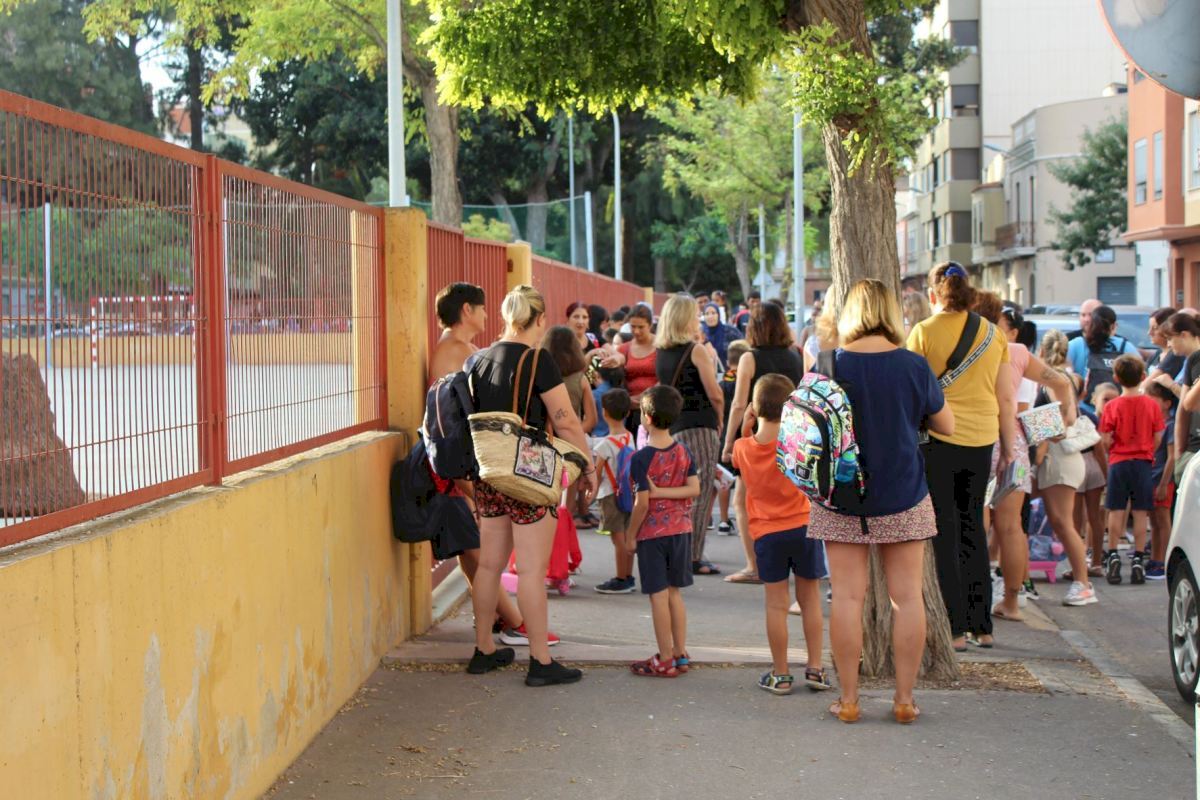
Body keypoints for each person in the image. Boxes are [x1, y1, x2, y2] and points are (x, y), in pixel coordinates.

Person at [811, 279, 954, 724]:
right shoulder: (913, 365)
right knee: (907, 598)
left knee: (847, 599)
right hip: (903, 493)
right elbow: (946, 425)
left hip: (839, 496)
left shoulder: (827, 363)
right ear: (892, 312)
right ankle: (904, 699)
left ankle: (849, 700)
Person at [466, 285, 598, 687]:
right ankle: (540, 660)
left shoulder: (478, 359)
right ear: (539, 319)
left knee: (489, 565)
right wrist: (588, 466)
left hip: (489, 473)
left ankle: (484, 649)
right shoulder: (538, 360)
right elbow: (566, 421)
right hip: (529, 474)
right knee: (530, 570)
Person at [428, 283, 546, 649]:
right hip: (460, 466)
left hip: (450, 464)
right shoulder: (459, 351)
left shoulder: (457, 350)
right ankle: (516, 623)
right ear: (467, 310)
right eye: (481, 309)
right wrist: (472, 488)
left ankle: (495, 625)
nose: (486, 315)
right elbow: (462, 423)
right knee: (484, 555)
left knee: (472, 552)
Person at [907, 263, 1012, 652]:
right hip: (983, 438)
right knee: (973, 527)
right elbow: (1005, 397)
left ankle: (954, 628)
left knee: (945, 530)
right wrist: (1009, 447)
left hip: (938, 438)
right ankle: (982, 625)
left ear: (934, 294)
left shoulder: (923, 332)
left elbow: (912, 389)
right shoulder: (994, 334)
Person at [979, 296, 1077, 623]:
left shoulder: (970, 349)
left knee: (976, 524)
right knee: (1012, 527)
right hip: (1017, 443)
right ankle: (1012, 601)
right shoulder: (1019, 352)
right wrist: (1065, 417)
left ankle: (973, 602)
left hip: (976, 437)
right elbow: (1060, 382)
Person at [732, 373, 830, 695]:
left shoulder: (742, 448)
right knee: (810, 601)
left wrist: (746, 427)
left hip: (767, 533)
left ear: (753, 408)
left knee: (776, 605)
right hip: (804, 527)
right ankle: (815, 668)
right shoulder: (800, 443)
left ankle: (781, 673)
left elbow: (742, 453)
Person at [721, 302, 806, 584]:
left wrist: (729, 442)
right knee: (793, 500)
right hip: (793, 437)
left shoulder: (749, 358)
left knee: (743, 500)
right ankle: (798, 562)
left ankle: (754, 565)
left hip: (759, 437)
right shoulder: (796, 355)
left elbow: (738, 404)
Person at [623, 385, 700, 677]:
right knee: (674, 593)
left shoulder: (640, 458)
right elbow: (694, 488)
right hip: (681, 530)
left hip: (652, 535)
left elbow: (641, 502)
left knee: (657, 596)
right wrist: (666, 492)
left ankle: (664, 658)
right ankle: (679, 652)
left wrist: (630, 534)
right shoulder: (683, 451)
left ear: (647, 418)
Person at [655, 294, 725, 576]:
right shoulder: (696, 351)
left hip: (675, 428)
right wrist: (720, 419)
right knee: (700, 491)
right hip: (700, 425)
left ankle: (676, 551)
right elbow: (714, 393)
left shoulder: (662, 353)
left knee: (678, 493)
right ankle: (692, 556)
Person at [1029, 355, 1097, 606]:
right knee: (1061, 523)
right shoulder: (1057, 385)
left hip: (1058, 461)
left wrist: (1037, 454)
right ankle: (1082, 582)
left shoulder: (1054, 386)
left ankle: (1083, 583)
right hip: (1056, 461)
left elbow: (1059, 426)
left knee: (1062, 523)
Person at [1099, 355, 1165, 586]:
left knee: (1116, 510)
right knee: (1140, 512)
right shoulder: (1152, 405)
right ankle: (1138, 557)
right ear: (1143, 376)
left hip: (1119, 461)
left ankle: (1113, 553)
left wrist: (1113, 448)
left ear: (1116, 378)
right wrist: (1147, 450)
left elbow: (1105, 439)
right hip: (1143, 463)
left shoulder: (1111, 406)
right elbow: (1158, 436)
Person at [543, 326, 600, 528]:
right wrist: (572, 433)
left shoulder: (541, 378)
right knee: (568, 497)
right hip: (572, 445)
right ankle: (569, 524)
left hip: (546, 443)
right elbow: (591, 420)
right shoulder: (580, 380)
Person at [593, 389, 637, 593]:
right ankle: (628, 575)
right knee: (628, 536)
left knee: (617, 539)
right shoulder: (629, 437)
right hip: (629, 493)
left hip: (610, 495)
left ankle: (620, 579)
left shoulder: (603, 445)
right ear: (627, 412)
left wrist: (589, 493)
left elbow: (596, 475)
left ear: (604, 413)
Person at [1067, 305, 1142, 412]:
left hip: (1084, 410)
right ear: (1113, 326)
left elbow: (1061, 372)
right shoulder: (1124, 346)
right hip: (1119, 411)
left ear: (1091, 324)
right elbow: (1141, 375)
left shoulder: (1076, 344)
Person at [1155, 313, 1200, 486]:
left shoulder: (1194, 359)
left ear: (1184, 335)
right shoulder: (1190, 360)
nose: (1168, 344)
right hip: (1191, 444)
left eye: (1170, 338)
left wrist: (1171, 385)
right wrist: (1179, 452)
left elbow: (1189, 403)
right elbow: (1184, 407)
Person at [602, 305, 657, 435]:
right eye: (633, 327)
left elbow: (667, 377)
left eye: (641, 327)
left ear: (650, 325)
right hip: (632, 410)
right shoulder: (625, 348)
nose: (636, 331)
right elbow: (619, 357)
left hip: (656, 406)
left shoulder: (661, 346)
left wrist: (645, 397)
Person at [716, 339, 750, 535]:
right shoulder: (747, 381)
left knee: (725, 478)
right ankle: (746, 514)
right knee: (745, 477)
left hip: (725, 434)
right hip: (744, 432)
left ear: (728, 362)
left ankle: (723, 520)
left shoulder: (722, 384)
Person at [1146, 380, 1176, 581]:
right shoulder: (1153, 424)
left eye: (1153, 399)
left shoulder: (1170, 425)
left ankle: (1165, 561)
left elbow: (1172, 457)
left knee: (1163, 520)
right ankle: (1155, 558)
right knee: (1154, 521)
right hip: (1151, 477)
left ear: (1166, 403)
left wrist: (1164, 483)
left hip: (1162, 480)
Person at [701, 302, 742, 367]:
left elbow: (743, 348)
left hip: (730, 370)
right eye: (707, 314)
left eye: (713, 313)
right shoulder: (701, 334)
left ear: (718, 315)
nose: (710, 316)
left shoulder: (730, 331)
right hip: (707, 371)